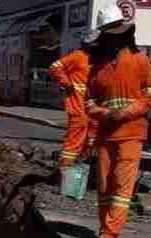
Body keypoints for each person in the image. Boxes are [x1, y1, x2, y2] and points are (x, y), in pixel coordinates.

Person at [85, 5, 151, 238]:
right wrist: (105, 113)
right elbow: (88, 102)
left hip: (132, 133)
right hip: (106, 135)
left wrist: (125, 113)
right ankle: (103, 229)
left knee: (121, 186)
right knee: (105, 186)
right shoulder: (97, 68)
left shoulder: (140, 61)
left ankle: (109, 234)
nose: (111, 38)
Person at [49, 29, 101, 166]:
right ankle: (65, 169)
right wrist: (66, 83)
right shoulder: (77, 56)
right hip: (77, 104)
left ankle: (83, 165)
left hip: (94, 105)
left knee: (92, 137)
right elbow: (55, 67)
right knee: (76, 136)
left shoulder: (97, 59)